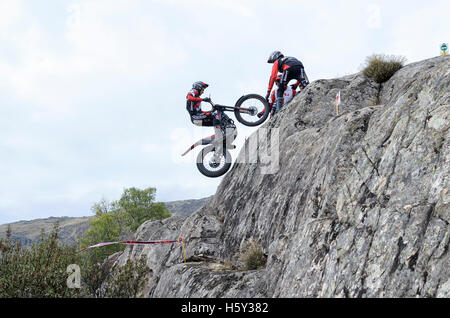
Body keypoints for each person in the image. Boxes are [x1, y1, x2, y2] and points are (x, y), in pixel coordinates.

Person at [265, 51, 309, 115]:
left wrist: (268, 91)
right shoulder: (290, 58)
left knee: (281, 89)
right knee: (304, 84)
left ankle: (279, 111)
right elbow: (300, 74)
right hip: (300, 66)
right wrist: (296, 85)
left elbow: (273, 76)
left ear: (274, 57)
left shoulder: (277, 61)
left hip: (288, 69)